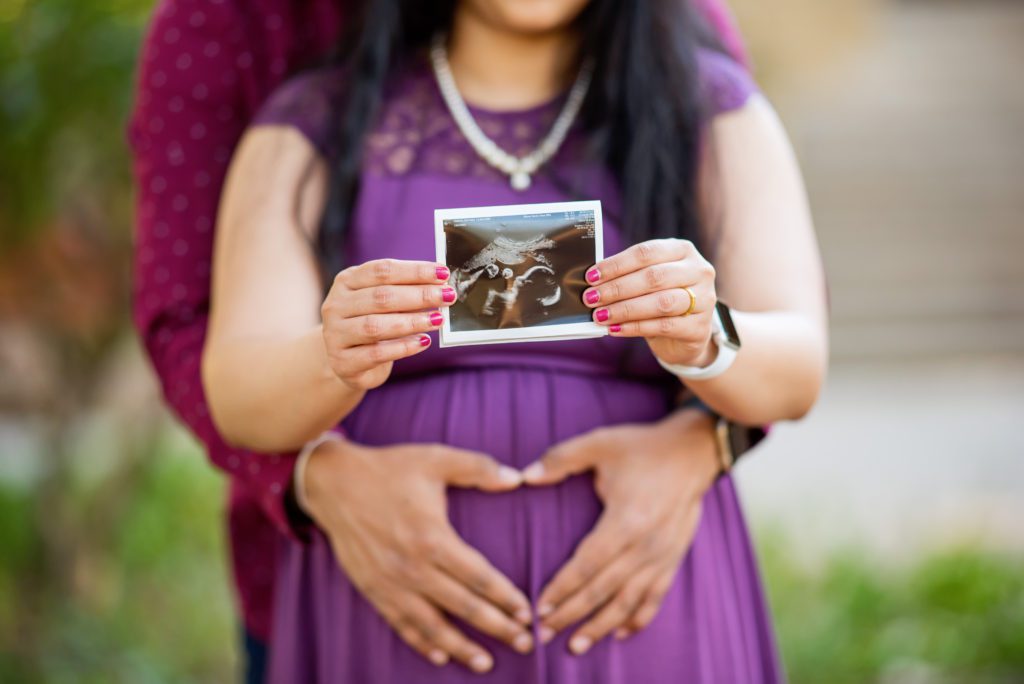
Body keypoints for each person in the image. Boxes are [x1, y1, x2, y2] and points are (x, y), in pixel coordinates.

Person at [128, 0, 770, 681]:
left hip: (648, 612)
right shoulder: (278, 91)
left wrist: (707, 425)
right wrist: (324, 401)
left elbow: (781, 342)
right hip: (374, 613)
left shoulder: (695, 86)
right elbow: (205, 340)